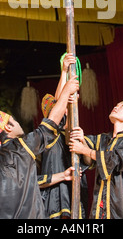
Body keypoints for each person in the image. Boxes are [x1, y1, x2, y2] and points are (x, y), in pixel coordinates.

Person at [0, 73, 79, 219]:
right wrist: (66, 91)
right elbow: (49, 125)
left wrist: (63, 175)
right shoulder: (20, 148)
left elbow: (31, 182)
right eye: (14, 120)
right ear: (8, 128)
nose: (18, 122)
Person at [69, 94, 123, 219]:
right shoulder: (103, 139)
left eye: (122, 106)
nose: (116, 107)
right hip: (102, 209)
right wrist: (82, 139)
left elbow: (115, 160)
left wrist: (85, 149)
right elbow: (88, 158)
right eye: (116, 105)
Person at [37, 53, 89, 219]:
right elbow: (60, 102)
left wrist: (83, 147)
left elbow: (89, 162)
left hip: (74, 197)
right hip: (52, 200)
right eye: (63, 110)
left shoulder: (74, 133)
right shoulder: (47, 137)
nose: (66, 111)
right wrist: (64, 71)